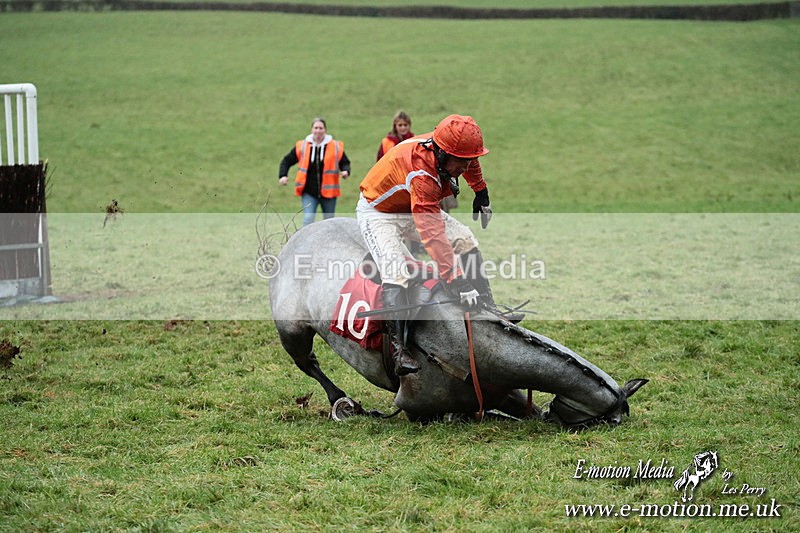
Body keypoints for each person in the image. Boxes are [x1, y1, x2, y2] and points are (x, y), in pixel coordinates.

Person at [357, 114, 520, 376]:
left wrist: (481, 191)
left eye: (468, 161)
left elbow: (471, 158)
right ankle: (399, 350)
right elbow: (432, 235)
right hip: (379, 213)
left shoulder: (449, 150)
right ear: (443, 154)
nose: (465, 168)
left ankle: (490, 311)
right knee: (396, 272)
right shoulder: (422, 174)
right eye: (461, 163)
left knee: (465, 238)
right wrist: (457, 280)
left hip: (410, 205)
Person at [279, 117, 351, 226]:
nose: (318, 130)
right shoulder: (302, 145)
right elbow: (287, 160)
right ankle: (305, 242)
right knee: (308, 219)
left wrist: (346, 171)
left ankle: (328, 242)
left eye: (320, 128)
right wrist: (283, 175)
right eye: (316, 127)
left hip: (329, 192)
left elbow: (344, 162)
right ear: (312, 129)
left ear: (325, 130)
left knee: (329, 222)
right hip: (308, 192)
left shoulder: (335, 146)